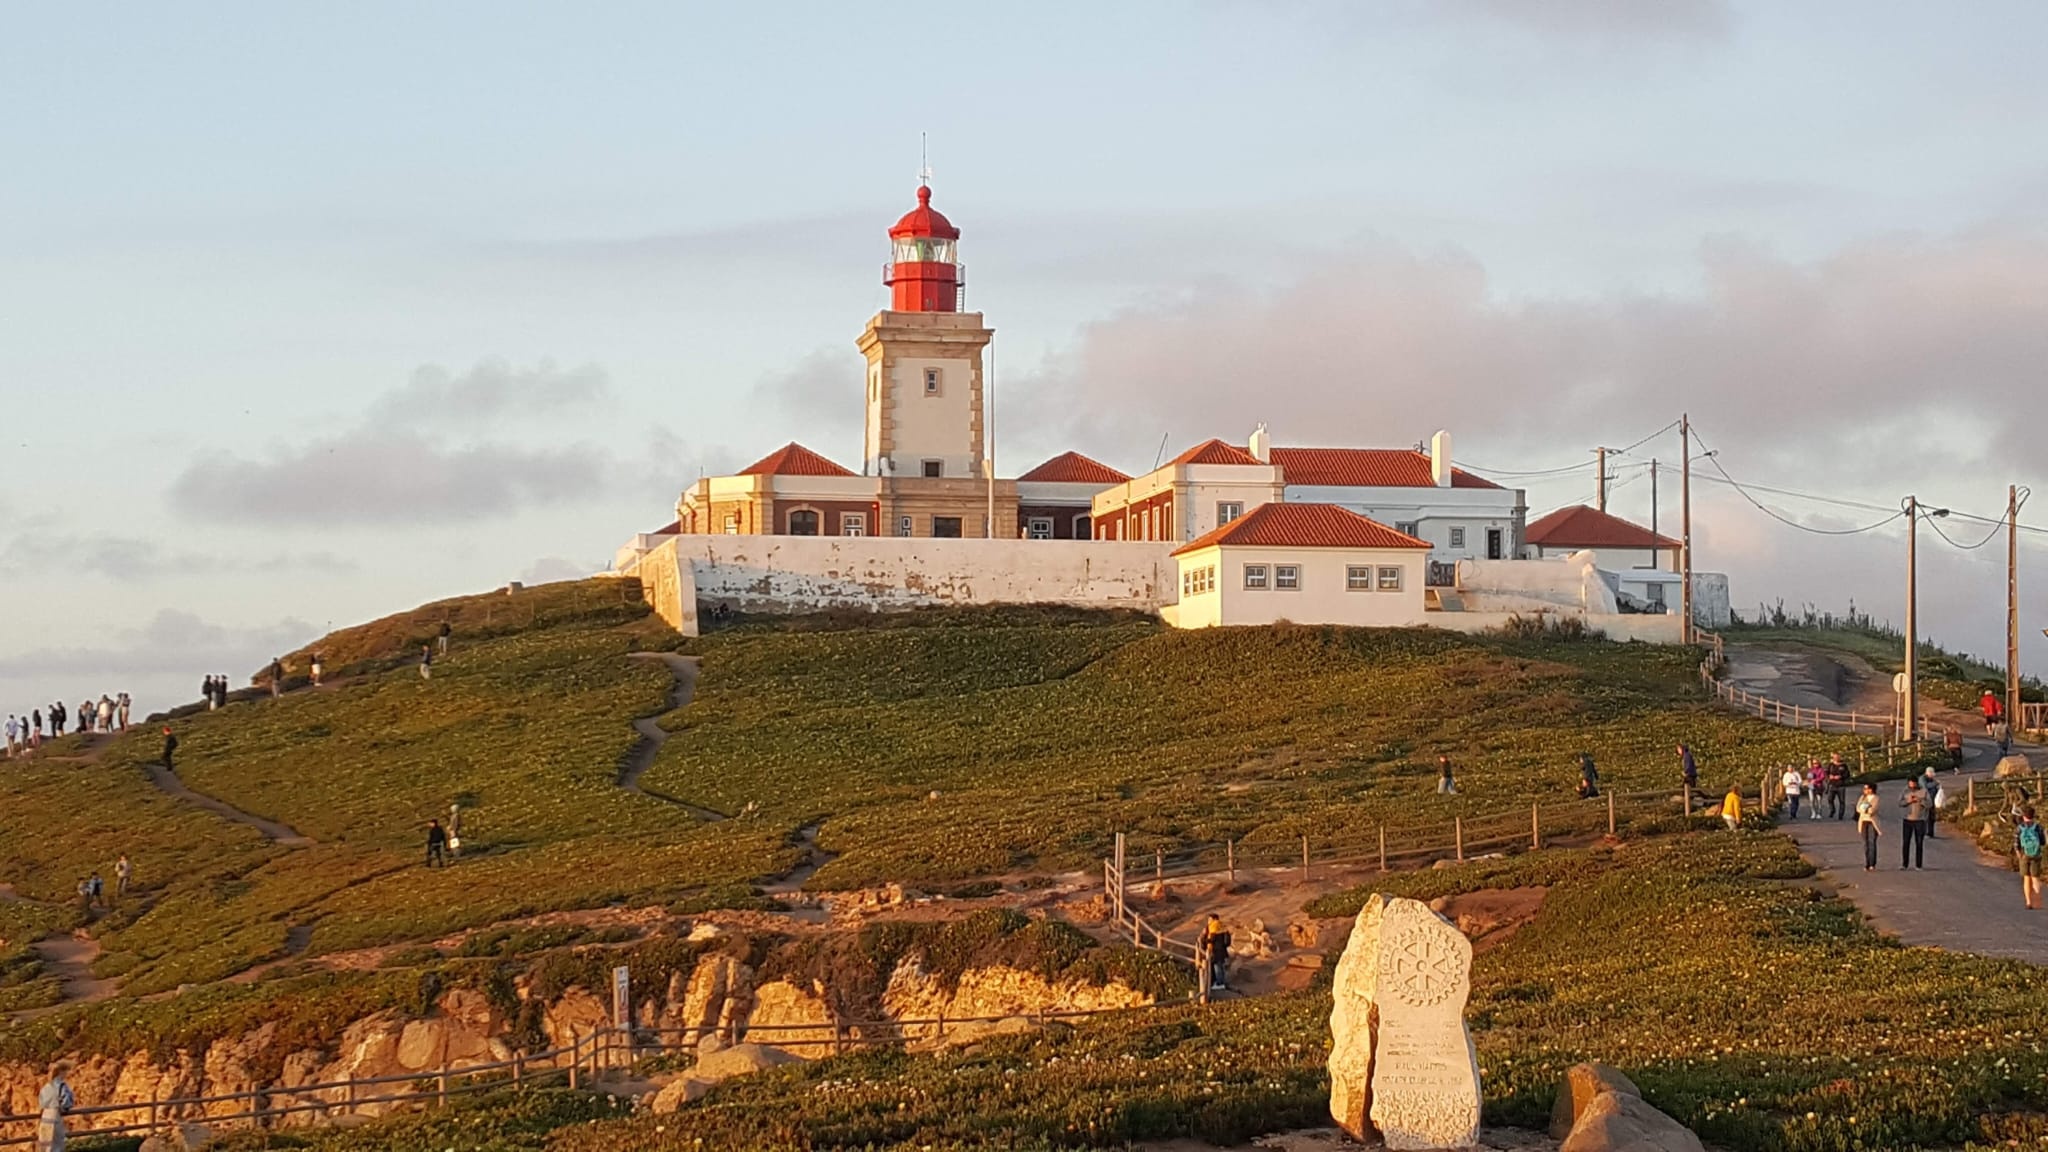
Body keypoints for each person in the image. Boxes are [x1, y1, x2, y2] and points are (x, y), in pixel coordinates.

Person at [35, 1059, 75, 1152]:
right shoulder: (61, 1086)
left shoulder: (46, 1086)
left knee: (46, 1143)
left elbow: (41, 1102)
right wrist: (65, 1109)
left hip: (45, 1115)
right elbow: (66, 1101)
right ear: (62, 1071)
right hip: (55, 1114)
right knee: (57, 1143)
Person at [2017, 805, 2045, 910]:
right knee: (2035, 877)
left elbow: (2016, 843)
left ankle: (2028, 902)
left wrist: (2018, 853)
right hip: (2036, 854)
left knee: (2026, 878)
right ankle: (2037, 900)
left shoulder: (2020, 828)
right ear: (2033, 816)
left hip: (2025, 854)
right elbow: (2042, 842)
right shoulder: (2038, 827)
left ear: (2024, 816)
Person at [1900, 778, 1929, 869]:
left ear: (1916, 784)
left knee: (1919, 843)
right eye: (1910, 784)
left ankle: (1918, 865)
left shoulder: (1923, 791)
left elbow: (1930, 804)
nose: (1911, 786)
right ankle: (1905, 864)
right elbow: (1900, 803)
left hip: (1920, 820)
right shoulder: (1905, 791)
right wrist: (1909, 801)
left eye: (1913, 784)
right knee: (1906, 842)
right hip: (1907, 819)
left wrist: (1920, 800)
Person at [1200, 915, 1232, 992]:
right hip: (1222, 951)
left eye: (1209, 919)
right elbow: (1227, 942)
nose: (1208, 922)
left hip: (1216, 951)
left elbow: (1211, 940)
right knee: (1220, 967)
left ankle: (1219, 983)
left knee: (1217, 967)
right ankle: (1221, 982)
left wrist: (1204, 937)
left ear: (1214, 919)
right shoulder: (1223, 927)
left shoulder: (1213, 927)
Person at [1856, 784, 1882, 871]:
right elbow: (1858, 808)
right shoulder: (1862, 797)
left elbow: (1873, 810)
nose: (1865, 790)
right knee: (1865, 843)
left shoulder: (1876, 798)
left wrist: (1865, 809)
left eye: (1867, 788)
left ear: (1871, 789)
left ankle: (1872, 863)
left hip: (1872, 822)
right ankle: (1867, 863)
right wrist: (1864, 809)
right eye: (1864, 788)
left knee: (1872, 842)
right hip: (1863, 821)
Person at [1920, 767, 1942, 839]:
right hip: (1925, 800)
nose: (1933, 776)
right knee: (1926, 816)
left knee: (1931, 817)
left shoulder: (1931, 779)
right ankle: (1926, 833)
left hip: (1931, 800)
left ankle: (1930, 833)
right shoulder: (1922, 779)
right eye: (1932, 774)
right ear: (1928, 773)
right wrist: (1935, 783)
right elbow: (1925, 786)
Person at [1826, 754, 1850, 820]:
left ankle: (1841, 815)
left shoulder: (1843, 765)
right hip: (1832, 785)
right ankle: (1832, 810)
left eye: (1837, 757)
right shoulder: (1831, 765)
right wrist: (1829, 776)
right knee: (1830, 799)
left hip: (1841, 785)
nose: (1836, 758)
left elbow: (1847, 774)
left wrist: (1841, 777)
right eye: (1834, 757)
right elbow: (1826, 773)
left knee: (1842, 801)